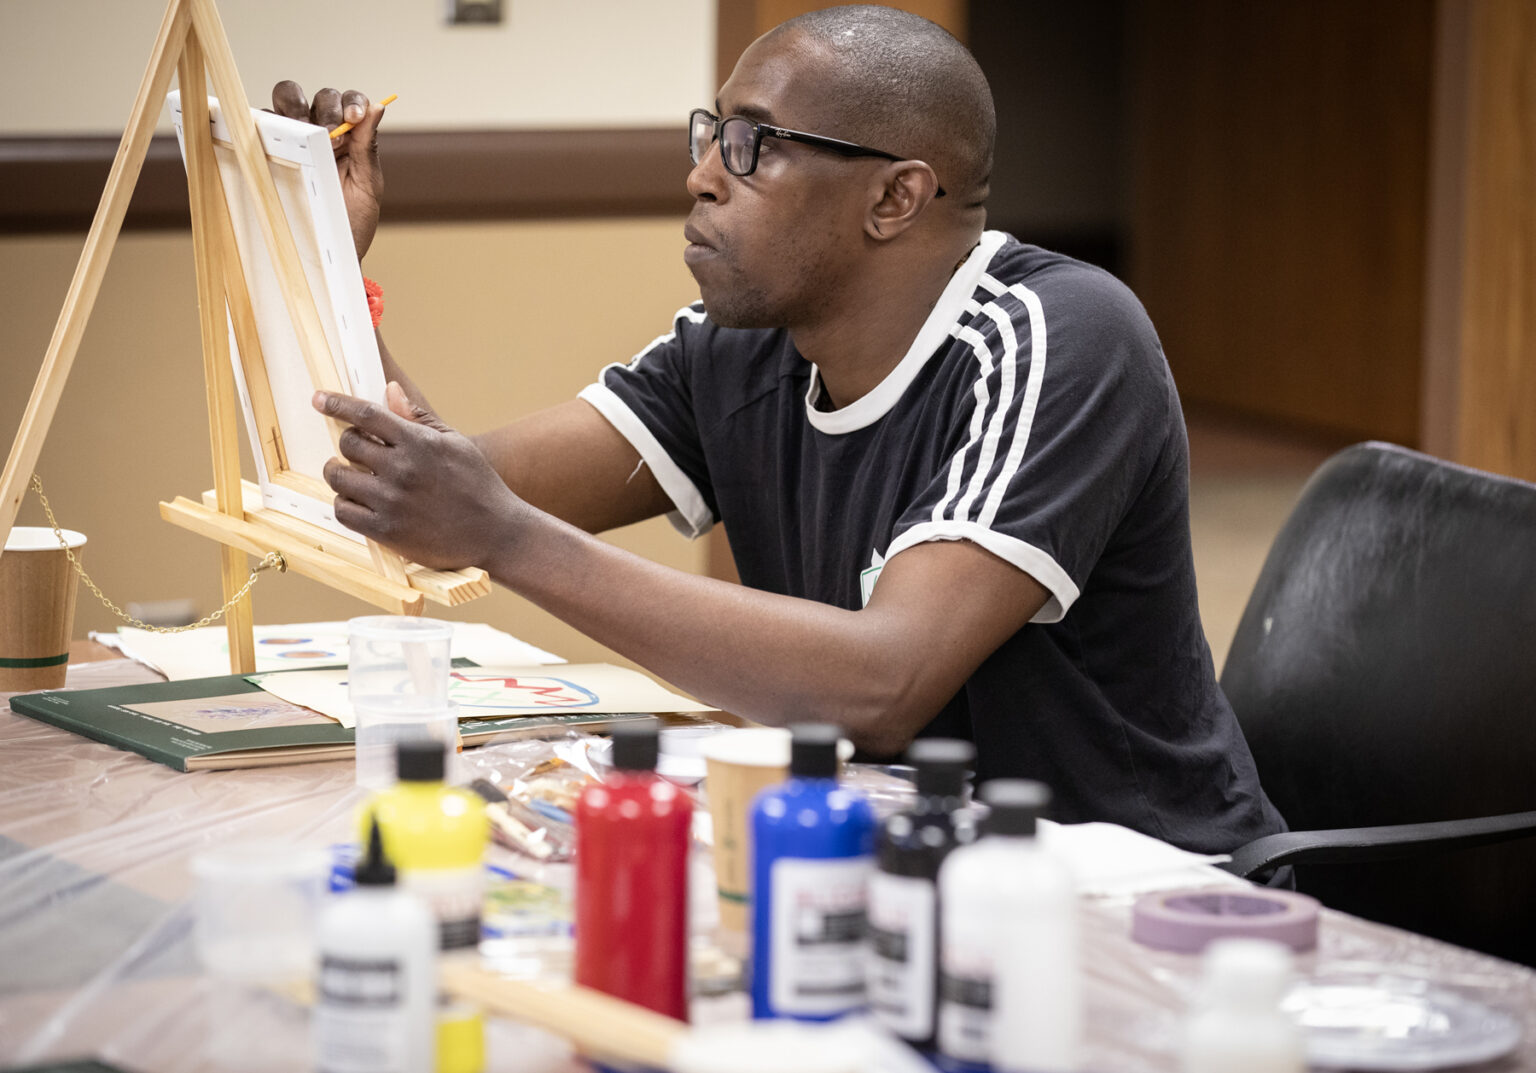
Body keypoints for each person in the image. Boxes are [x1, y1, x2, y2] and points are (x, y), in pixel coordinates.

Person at [276, 5, 1285, 854]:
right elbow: (439, 488)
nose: (703, 176)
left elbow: (886, 679)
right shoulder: (742, 346)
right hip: (889, 863)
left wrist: (504, 534)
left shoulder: (1055, 337)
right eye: (708, 135)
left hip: (1132, 889)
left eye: (752, 145)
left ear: (895, 196)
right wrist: (324, 254)